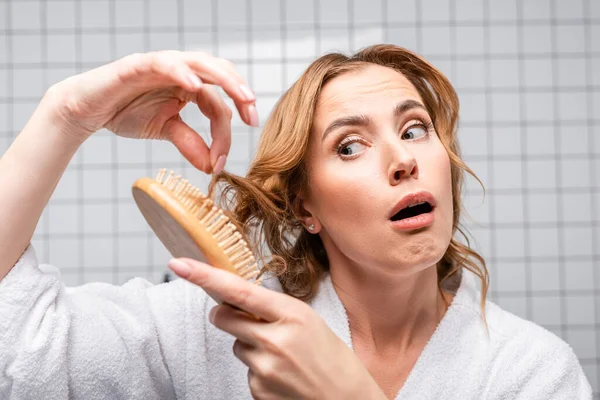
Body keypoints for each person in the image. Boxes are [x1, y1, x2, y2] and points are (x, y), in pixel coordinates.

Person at [0, 45, 592, 399]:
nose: (405, 158)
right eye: (350, 146)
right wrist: (66, 115)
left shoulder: (529, 371)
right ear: (306, 207)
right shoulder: (213, 329)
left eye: (415, 130)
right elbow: (18, 340)